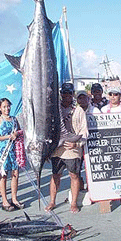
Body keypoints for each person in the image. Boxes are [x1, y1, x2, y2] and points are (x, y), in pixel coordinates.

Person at [45, 83, 88, 214]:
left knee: (73, 175)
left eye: (69, 93)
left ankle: (74, 203)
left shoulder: (79, 110)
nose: (67, 96)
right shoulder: (53, 109)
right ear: (61, 94)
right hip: (57, 148)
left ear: (73, 94)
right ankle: (52, 201)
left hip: (72, 148)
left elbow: (84, 132)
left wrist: (77, 144)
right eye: (64, 93)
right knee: (55, 175)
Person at [0, 98, 24, 211]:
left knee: (15, 173)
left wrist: (17, 133)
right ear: (0, 108)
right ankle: (5, 200)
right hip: (3, 150)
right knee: (4, 175)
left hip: (14, 149)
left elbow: (20, 131)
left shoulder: (14, 119)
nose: (7, 108)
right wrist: (8, 137)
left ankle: (14, 199)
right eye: (4, 106)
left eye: (8, 106)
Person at [76, 91, 100, 190]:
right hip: (79, 143)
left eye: (84, 98)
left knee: (92, 167)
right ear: (77, 100)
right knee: (77, 168)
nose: (82, 100)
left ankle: (92, 188)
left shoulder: (95, 110)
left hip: (92, 143)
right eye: (80, 98)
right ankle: (80, 187)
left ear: (88, 99)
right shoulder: (75, 111)